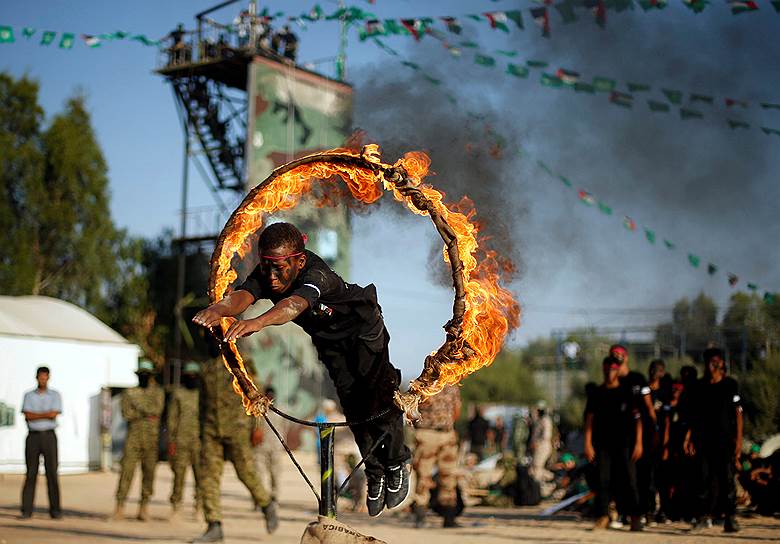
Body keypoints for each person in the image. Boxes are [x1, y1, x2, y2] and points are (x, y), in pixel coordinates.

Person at [193, 222, 411, 518]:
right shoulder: (267, 273)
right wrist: (218, 309)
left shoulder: (316, 275)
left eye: (279, 268)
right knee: (354, 406)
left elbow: (293, 306)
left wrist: (257, 323)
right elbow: (241, 297)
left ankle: (397, 462)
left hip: (363, 333)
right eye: (266, 267)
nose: (271, 277)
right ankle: (374, 471)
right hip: (331, 344)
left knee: (379, 397)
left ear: (299, 260)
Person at [193, 344, 278, 542]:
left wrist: (258, 428)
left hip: (237, 429)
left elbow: (255, 395)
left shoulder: (240, 362)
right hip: (211, 430)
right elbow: (202, 403)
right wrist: (200, 430)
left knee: (246, 472)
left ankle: (266, 504)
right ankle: (214, 525)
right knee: (208, 478)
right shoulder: (205, 368)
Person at [685, 347, 743, 533]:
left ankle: (730, 518)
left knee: (727, 479)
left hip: (725, 441)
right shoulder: (699, 386)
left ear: (722, 363)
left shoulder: (730, 385)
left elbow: (738, 414)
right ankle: (703, 517)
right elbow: (693, 416)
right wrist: (690, 438)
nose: (713, 364)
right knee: (703, 479)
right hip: (703, 440)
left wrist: (739, 442)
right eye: (710, 360)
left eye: (716, 360)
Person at [584, 356, 643, 532]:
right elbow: (589, 420)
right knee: (602, 481)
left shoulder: (626, 391)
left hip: (625, 444)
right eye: (607, 369)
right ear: (603, 370)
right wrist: (588, 444)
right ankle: (603, 516)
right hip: (602, 445)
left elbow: (638, 418)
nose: (610, 372)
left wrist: (639, 442)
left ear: (618, 370)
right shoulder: (597, 393)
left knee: (629, 480)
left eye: (613, 369)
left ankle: (635, 517)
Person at [113, 360, 164, 521]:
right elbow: (126, 414)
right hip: (133, 439)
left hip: (151, 440)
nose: (144, 377)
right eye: (141, 374)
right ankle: (119, 507)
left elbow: (157, 411)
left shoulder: (158, 392)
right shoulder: (129, 392)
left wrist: (139, 409)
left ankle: (144, 508)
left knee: (149, 474)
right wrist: (147, 414)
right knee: (126, 472)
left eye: (146, 375)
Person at [411, 385, 462, 528]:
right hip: (444, 433)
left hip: (428, 433)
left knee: (424, 475)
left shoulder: (422, 384)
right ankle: (448, 517)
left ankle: (422, 516)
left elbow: (410, 411)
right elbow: (456, 411)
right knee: (447, 476)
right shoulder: (452, 385)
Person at [20, 366, 62, 519]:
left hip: (49, 437)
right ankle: (26, 510)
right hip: (33, 437)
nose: (43, 380)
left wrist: (37, 415)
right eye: (40, 377)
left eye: (45, 377)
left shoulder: (55, 395)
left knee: (52, 472)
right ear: (37, 377)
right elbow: (28, 415)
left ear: (48, 378)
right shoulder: (29, 395)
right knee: (31, 473)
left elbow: (54, 414)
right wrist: (45, 415)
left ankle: (55, 510)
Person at [167, 361, 202, 518]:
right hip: (181, 440)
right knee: (179, 475)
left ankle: (199, 506)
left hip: (199, 442)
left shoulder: (203, 395)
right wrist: (171, 441)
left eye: (194, 376)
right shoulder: (178, 394)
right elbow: (172, 419)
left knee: (200, 475)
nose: (192, 378)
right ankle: (176, 505)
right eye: (189, 376)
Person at [252, 386, 282, 501]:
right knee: (259, 473)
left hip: (275, 448)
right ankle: (260, 499)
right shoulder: (258, 411)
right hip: (260, 448)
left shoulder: (280, 412)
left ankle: (274, 497)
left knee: (275, 473)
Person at [529, 401, 554, 484]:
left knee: (537, 467)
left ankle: (536, 487)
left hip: (543, 446)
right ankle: (552, 479)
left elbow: (546, 436)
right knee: (533, 468)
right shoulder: (539, 420)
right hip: (539, 446)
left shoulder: (545, 420)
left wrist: (537, 443)